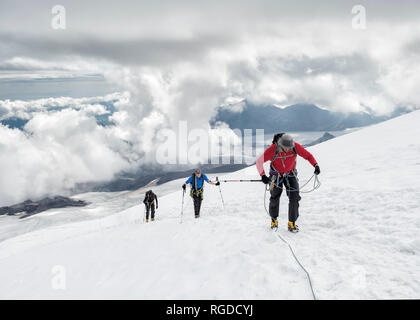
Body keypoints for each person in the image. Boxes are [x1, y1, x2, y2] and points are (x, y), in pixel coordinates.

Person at [256, 133, 320, 232]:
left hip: (290, 174)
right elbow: (259, 161)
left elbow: (308, 155)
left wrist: (315, 165)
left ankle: (291, 223)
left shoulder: (295, 146)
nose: (287, 150)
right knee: (275, 197)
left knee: (294, 197)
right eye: (285, 147)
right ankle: (274, 220)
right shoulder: (273, 149)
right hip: (276, 175)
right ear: (280, 144)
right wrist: (263, 175)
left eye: (289, 147)